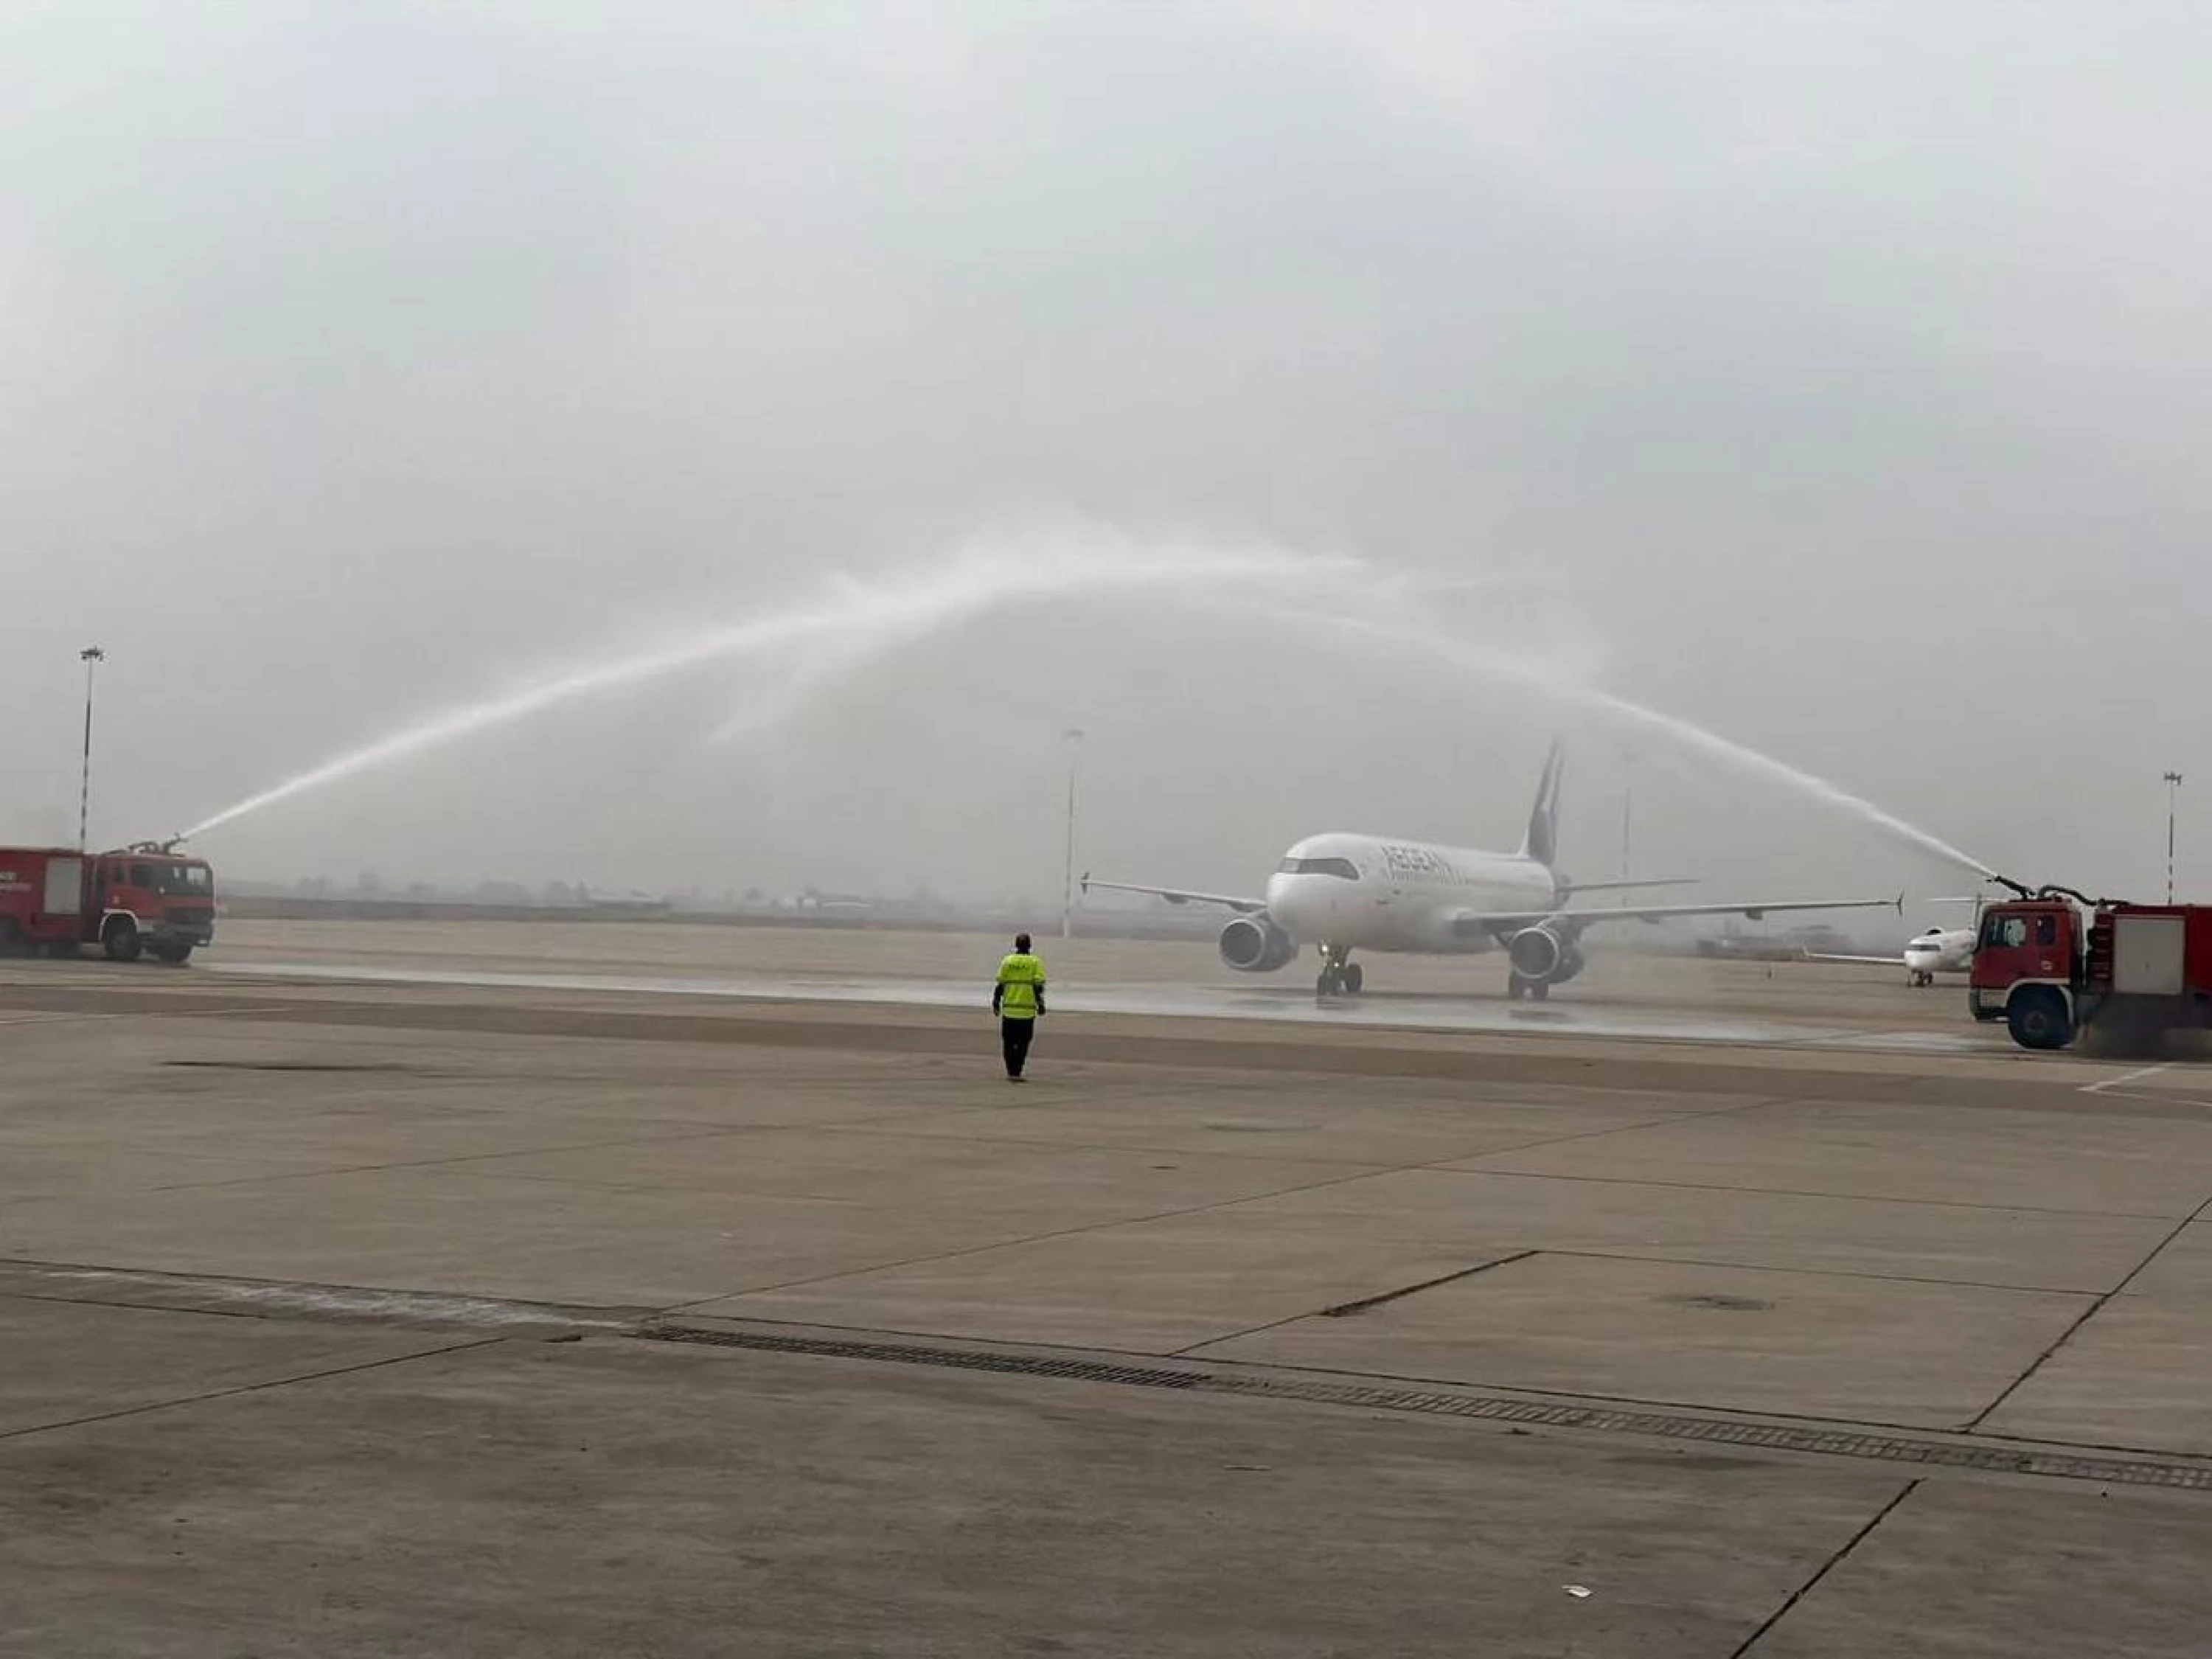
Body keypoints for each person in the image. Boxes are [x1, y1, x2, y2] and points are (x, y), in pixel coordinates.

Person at [991, 932, 1047, 1081]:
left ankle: (1011, 1070)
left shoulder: (1008, 961)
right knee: (1023, 1042)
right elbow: (1038, 986)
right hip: (1027, 1012)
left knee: (1008, 1042)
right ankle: (1018, 1070)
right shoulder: (1035, 962)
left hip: (1009, 1010)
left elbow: (1000, 985)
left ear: (1016, 945)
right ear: (1030, 946)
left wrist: (996, 1003)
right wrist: (1041, 1004)